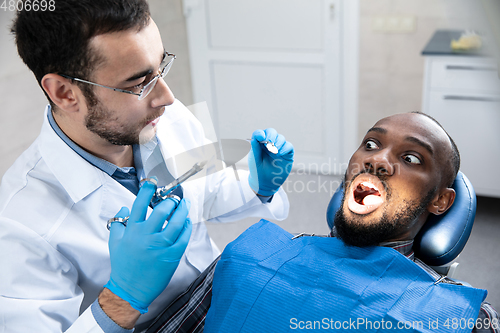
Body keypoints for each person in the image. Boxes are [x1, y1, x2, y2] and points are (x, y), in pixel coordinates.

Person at [0, 0, 294, 332]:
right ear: (65, 93)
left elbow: (205, 194)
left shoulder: (162, 117)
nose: (167, 97)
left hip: (218, 289)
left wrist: (258, 186)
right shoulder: (18, 224)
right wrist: (123, 298)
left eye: (160, 67)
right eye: (138, 83)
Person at [197, 112, 499, 333]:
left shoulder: (465, 319)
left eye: (411, 158)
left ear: (441, 201)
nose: (377, 159)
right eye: (370, 143)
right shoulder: (249, 253)